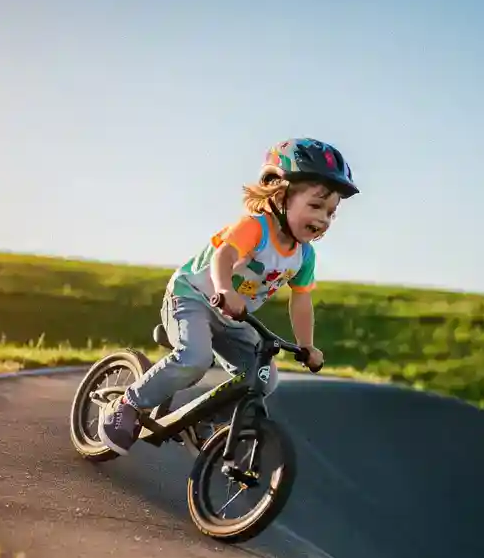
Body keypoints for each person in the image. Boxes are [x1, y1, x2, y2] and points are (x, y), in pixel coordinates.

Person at [98, 138, 360, 455]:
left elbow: (301, 301)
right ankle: (127, 404)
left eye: (331, 213)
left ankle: (204, 421)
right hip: (193, 297)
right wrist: (224, 289)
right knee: (194, 360)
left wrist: (307, 345)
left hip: (233, 316)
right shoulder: (255, 227)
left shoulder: (304, 256)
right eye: (316, 206)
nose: (323, 219)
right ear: (280, 194)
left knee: (263, 379)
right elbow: (224, 256)